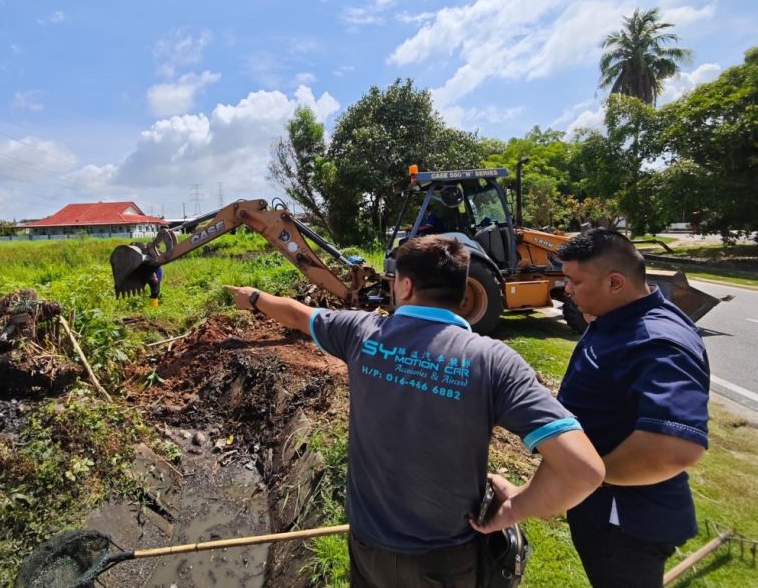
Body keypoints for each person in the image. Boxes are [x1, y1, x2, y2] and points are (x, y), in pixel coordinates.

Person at [225, 235, 604, 588]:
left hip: (369, 547)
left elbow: (296, 314)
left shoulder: (361, 333)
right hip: (447, 559)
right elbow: (582, 469)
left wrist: (253, 297)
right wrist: (516, 507)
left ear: (405, 286)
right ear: (460, 290)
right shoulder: (494, 362)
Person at [556, 228, 710, 588]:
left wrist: (589, 474)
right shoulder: (620, 318)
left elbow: (672, 446)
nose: (567, 290)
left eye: (574, 281)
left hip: (626, 520)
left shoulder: (656, 342)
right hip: (607, 509)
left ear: (614, 282)